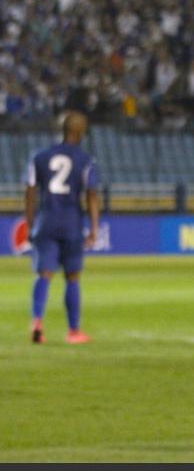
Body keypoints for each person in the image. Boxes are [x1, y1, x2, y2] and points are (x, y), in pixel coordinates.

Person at [24, 110, 100, 344]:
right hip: (71, 222)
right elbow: (92, 195)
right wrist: (94, 228)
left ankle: (37, 320)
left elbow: (29, 191)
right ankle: (73, 331)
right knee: (73, 276)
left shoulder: (40, 156)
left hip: (46, 220)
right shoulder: (85, 160)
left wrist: (30, 223)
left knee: (44, 274)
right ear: (80, 132)